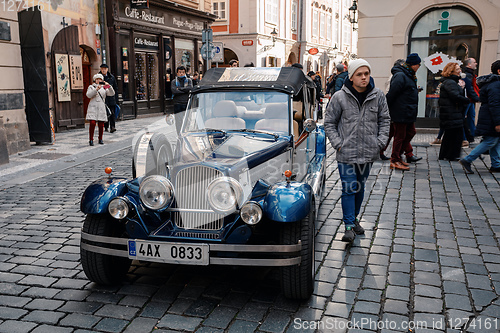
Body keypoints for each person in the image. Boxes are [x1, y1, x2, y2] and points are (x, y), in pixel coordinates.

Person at [324, 59, 390, 243]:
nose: (364, 77)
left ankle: (353, 220)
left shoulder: (378, 96)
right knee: (349, 188)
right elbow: (329, 122)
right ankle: (348, 227)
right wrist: (338, 143)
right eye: (359, 74)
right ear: (351, 77)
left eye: (366, 74)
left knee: (359, 188)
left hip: (368, 151)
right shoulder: (339, 97)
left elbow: (385, 120)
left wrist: (380, 142)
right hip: (346, 152)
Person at [459, 60, 500, 174]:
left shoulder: (493, 83)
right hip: (491, 118)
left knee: (495, 140)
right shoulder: (496, 85)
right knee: (491, 141)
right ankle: (468, 159)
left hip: (490, 117)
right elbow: (495, 104)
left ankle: (496, 164)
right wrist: (498, 122)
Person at [384, 53, 423, 171]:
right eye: (418, 64)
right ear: (413, 64)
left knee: (411, 132)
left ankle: (398, 156)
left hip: (408, 111)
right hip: (401, 111)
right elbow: (392, 93)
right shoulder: (401, 75)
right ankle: (394, 160)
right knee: (399, 136)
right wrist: (387, 109)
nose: (419, 67)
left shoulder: (409, 75)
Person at [438, 62, 470, 161]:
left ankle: (446, 154)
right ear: (451, 71)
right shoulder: (450, 82)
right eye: (457, 69)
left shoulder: (451, 82)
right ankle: (451, 155)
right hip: (451, 112)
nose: (460, 70)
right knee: (455, 134)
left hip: (451, 112)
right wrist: (466, 100)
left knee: (450, 134)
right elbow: (455, 96)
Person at [86, 73, 115, 146]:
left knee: (101, 124)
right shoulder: (91, 87)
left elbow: (112, 94)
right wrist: (96, 89)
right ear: (95, 80)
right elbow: (88, 95)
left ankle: (100, 139)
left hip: (101, 107)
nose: (99, 80)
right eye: (97, 79)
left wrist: (109, 86)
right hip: (93, 107)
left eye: (100, 79)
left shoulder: (104, 87)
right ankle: (91, 139)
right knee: (92, 123)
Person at [462, 58, 480, 144]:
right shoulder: (468, 75)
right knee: (467, 118)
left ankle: (471, 136)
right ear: (469, 64)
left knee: (471, 117)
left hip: (470, 99)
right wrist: (476, 97)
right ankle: (466, 137)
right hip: (468, 99)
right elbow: (470, 88)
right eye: (474, 62)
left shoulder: (470, 74)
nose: (476, 64)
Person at [171, 66, 194, 134]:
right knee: (178, 121)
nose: (181, 74)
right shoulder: (174, 81)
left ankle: (186, 133)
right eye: (180, 72)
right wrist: (184, 90)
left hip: (186, 102)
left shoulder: (189, 80)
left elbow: (190, 88)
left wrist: (179, 89)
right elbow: (174, 91)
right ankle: (179, 134)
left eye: (183, 72)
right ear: (177, 73)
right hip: (177, 103)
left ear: (185, 73)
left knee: (187, 120)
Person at [99, 64, 119, 133]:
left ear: (107, 69)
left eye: (105, 68)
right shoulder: (98, 77)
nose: (103, 70)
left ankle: (112, 127)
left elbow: (115, 88)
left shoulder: (111, 77)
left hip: (111, 98)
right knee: (105, 113)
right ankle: (106, 126)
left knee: (112, 113)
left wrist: (116, 99)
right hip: (103, 98)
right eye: (102, 68)